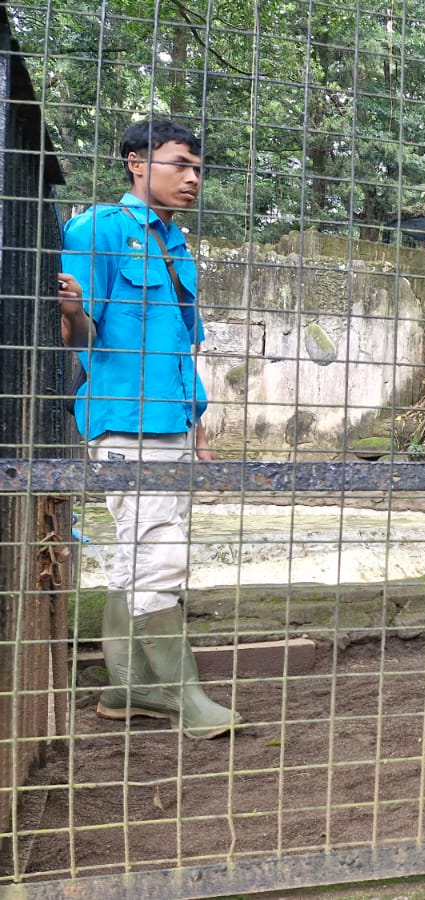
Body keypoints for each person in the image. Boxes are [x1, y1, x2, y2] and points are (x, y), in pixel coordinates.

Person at [56, 119, 240, 740]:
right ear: (137, 162)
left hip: (172, 424)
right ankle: (183, 696)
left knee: (140, 551)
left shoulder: (175, 243)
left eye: (197, 168)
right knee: (161, 554)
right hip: (125, 421)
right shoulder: (98, 228)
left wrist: (198, 429)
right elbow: (80, 340)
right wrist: (74, 312)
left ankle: (127, 688)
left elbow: (179, 348)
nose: (192, 178)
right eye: (180, 163)